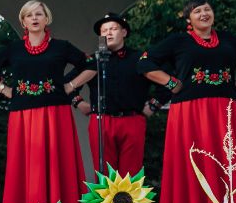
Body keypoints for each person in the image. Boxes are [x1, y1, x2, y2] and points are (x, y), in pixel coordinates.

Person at [138, 0, 236, 203]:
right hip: (189, 113)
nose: (204, 13)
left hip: (225, 111)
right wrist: (171, 83)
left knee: (228, 163)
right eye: (197, 11)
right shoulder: (178, 41)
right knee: (193, 165)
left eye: (207, 9)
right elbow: (144, 62)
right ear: (188, 19)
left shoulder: (227, 39)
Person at [0, 0, 89, 203]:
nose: (35, 18)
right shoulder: (13, 49)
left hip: (55, 114)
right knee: (26, 168)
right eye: (29, 15)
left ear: (46, 18)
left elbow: (91, 64)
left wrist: (70, 86)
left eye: (39, 14)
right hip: (23, 116)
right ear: (23, 22)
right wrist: (4, 90)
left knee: (57, 164)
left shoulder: (61, 47)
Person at [65, 12, 167, 177]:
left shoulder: (139, 58)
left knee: (131, 176)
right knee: (104, 176)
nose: (109, 33)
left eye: (113, 29)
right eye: (104, 30)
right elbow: (66, 83)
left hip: (132, 120)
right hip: (101, 121)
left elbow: (167, 83)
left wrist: (154, 105)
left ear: (124, 32)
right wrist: (78, 102)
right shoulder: (93, 60)